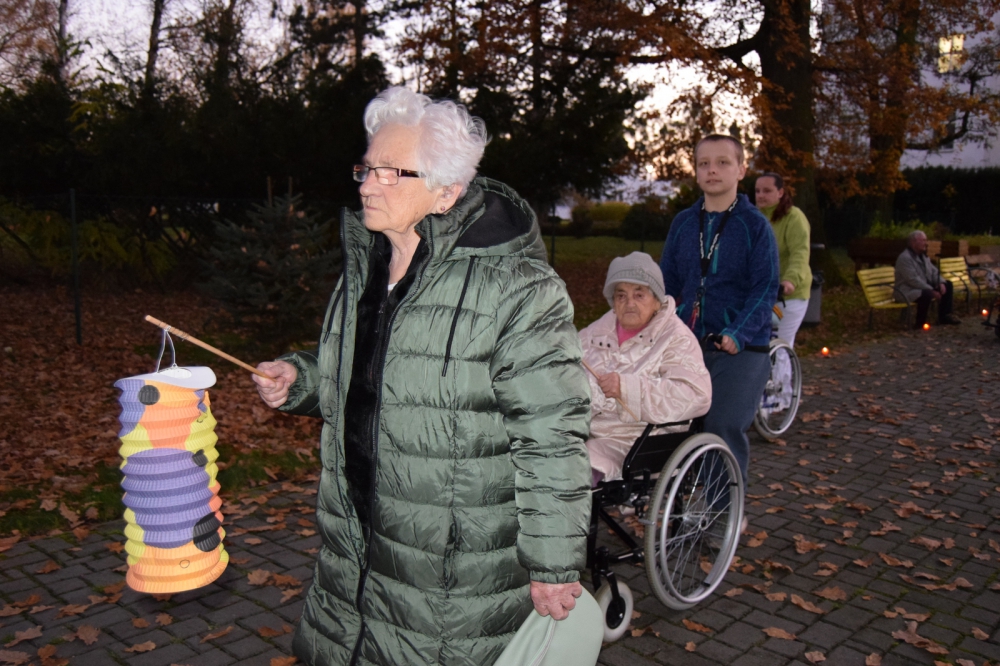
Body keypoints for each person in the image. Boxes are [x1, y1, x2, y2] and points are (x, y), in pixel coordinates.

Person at [251, 86, 593, 666]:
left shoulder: (519, 290)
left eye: (391, 172)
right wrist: (301, 379)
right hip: (355, 543)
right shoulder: (365, 270)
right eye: (366, 168)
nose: (367, 184)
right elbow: (364, 373)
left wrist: (554, 562)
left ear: (446, 192)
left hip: (450, 570)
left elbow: (552, 435)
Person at [658, 134, 779, 489]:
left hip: (741, 348)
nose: (712, 170)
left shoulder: (755, 226)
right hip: (687, 344)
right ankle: (676, 506)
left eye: (723, 162)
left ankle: (724, 511)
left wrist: (737, 333)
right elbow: (667, 283)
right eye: (704, 163)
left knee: (721, 426)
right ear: (696, 172)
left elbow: (765, 288)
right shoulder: (683, 223)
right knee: (668, 423)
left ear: (741, 169)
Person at [580, 252, 712, 485]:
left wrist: (627, 388)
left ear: (656, 301)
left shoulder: (676, 339)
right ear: (613, 302)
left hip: (635, 443)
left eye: (639, 295)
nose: (629, 303)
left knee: (566, 473)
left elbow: (696, 395)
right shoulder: (593, 334)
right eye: (621, 295)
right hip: (581, 433)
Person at [754, 172, 813, 347]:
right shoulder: (753, 219)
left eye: (767, 191)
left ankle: (783, 366)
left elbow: (800, 253)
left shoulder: (794, 217)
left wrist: (790, 281)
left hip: (788, 294)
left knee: (779, 344)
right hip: (761, 293)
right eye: (757, 191)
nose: (761, 195)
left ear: (780, 192)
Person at [895, 230, 961, 327]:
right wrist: (931, 290)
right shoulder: (905, 258)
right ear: (913, 242)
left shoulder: (923, 257)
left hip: (920, 288)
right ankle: (919, 324)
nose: (926, 243)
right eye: (923, 240)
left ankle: (944, 317)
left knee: (947, 285)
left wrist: (940, 282)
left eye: (926, 240)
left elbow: (933, 272)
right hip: (906, 290)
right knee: (927, 294)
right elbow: (912, 280)